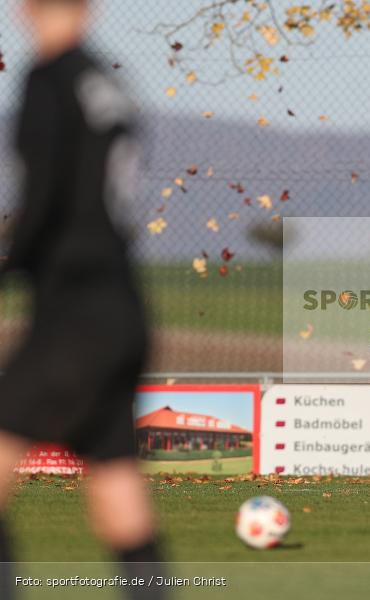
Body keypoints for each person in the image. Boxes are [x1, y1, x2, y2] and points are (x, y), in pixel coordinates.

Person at [0, 0, 163, 596]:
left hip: (74, 314)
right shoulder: (107, 84)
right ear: (87, 9)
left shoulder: (48, 78)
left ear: (26, 10)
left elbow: (43, 195)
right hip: (122, 308)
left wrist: (10, 265)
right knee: (119, 493)